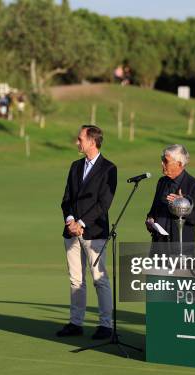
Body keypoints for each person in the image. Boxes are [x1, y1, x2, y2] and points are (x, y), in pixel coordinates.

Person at [57, 125, 117, 340]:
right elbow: (66, 199)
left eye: (80, 138)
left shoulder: (109, 169)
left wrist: (82, 222)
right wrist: (71, 220)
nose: (77, 142)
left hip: (94, 233)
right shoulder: (75, 166)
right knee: (76, 279)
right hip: (71, 231)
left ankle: (105, 325)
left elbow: (104, 204)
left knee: (100, 280)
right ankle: (76, 322)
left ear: (92, 141)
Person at [146, 144, 195, 244]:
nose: (162, 163)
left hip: (180, 248)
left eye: (166, 161)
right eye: (162, 159)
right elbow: (153, 211)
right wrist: (150, 220)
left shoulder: (194, 185)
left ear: (179, 164)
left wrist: (183, 205)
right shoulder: (162, 182)